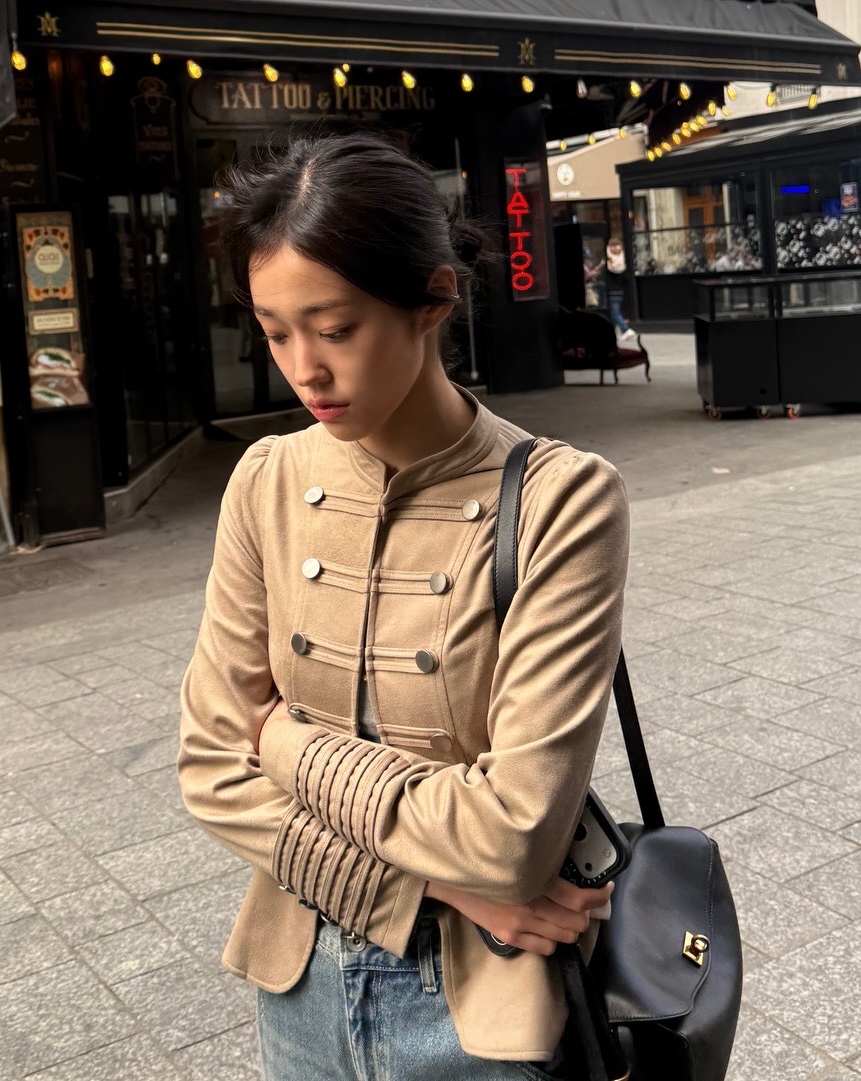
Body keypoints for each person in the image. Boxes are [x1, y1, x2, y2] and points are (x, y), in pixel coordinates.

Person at [179, 131, 629, 1081]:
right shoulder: (267, 479)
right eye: (275, 331)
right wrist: (441, 887)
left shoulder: (563, 499)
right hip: (298, 983)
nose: (304, 368)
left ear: (434, 299)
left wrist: (283, 742)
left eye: (335, 329)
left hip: (482, 1009)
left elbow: (511, 836)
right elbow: (211, 770)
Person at [604, 238, 636, 342]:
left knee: (614, 312)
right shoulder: (623, 259)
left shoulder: (608, 260)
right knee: (615, 312)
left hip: (611, 290)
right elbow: (626, 278)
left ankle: (626, 329)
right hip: (620, 290)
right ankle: (612, 334)